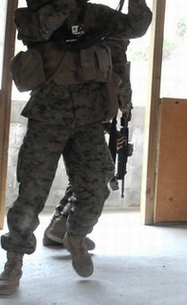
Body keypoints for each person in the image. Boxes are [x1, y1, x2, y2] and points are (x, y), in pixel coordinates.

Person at [0, 0, 153, 296]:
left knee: (97, 185)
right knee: (31, 196)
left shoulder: (92, 13)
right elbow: (42, 29)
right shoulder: (30, 15)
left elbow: (136, 27)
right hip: (48, 118)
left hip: (89, 121)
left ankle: (76, 235)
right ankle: (14, 263)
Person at [41, 37, 133, 251]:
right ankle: (73, 231)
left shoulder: (84, 45)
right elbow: (120, 89)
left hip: (60, 117)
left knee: (81, 176)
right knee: (101, 175)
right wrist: (125, 104)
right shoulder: (114, 48)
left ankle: (58, 228)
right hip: (87, 122)